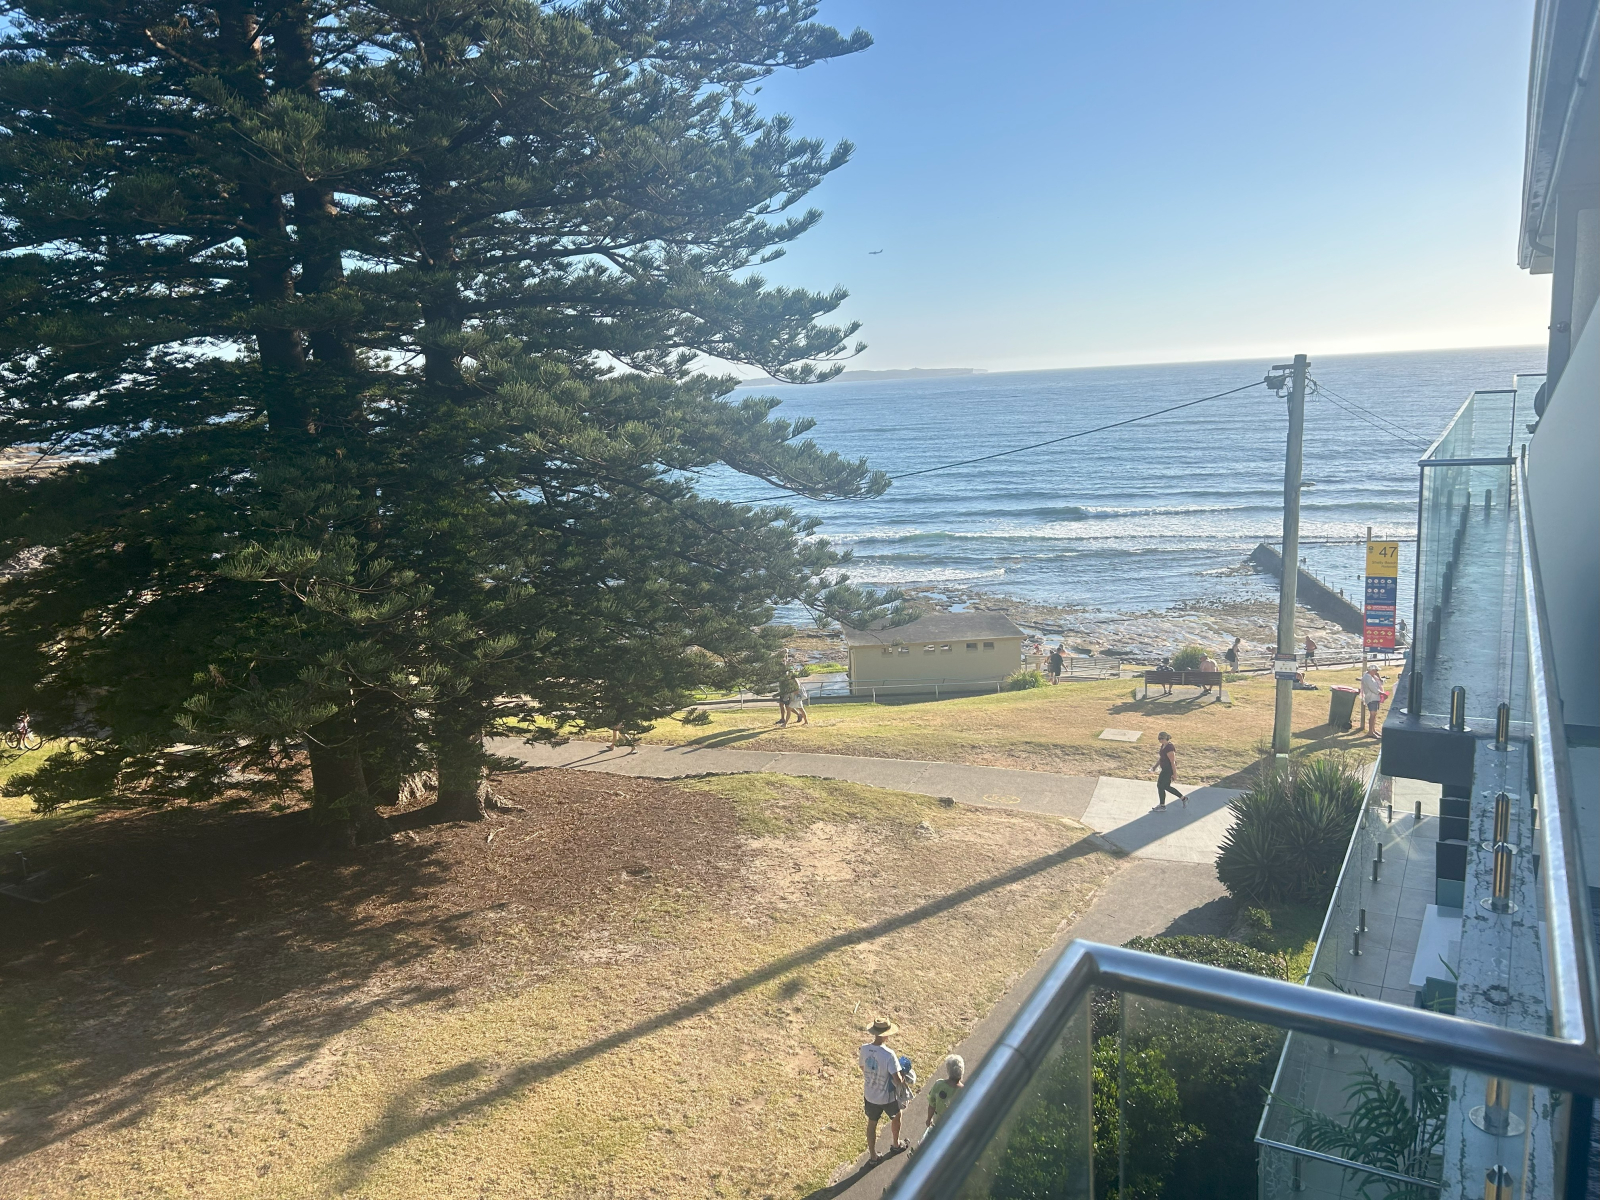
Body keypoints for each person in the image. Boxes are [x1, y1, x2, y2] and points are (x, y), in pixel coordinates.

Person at [860, 1017, 907, 1163]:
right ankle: (896, 1144)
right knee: (897, 1116)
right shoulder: (889, 1054)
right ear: (886, 1034)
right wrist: (904, 1078)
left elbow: (862, 1067)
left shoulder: (864, 1049)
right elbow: (897, 1079)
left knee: (872, 1123)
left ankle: (873, 1156)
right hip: (887, 1097)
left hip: (870, 1095)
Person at [923, 1054, 965, 1142]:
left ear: (948, 1070)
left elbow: (932, 1105)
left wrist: (929, 1119)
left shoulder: (939, 1085)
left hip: (938, 1122)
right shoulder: (964, 1091)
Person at [1151, 731, 1185, 808]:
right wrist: (1155, 767)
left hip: (1168, 770)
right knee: (1165, 786)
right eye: (1158, 738)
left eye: (1161, 738)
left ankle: (1162, 805)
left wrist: (1175, 774)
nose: (1159, 740)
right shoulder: (1163, 746)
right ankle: (1183, 798)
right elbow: (1161, 758)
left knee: (1160, 786)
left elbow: (1173, 762)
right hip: (1164, 769)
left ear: (1165, 738)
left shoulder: (1170, 748)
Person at [1360, 664, 1386, 738]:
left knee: (1374, 715)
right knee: (1372, 715)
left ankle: (1373, 730)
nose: (1376, 672)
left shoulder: (1372, 677)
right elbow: (1373, 689)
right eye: (1376, 670)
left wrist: (1379, 677)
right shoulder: (1367, 678)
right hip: (1371, 698)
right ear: (1372, 670)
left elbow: (1380, 683)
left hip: (1375, 698)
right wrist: (1383, 693)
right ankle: (1370, 732)